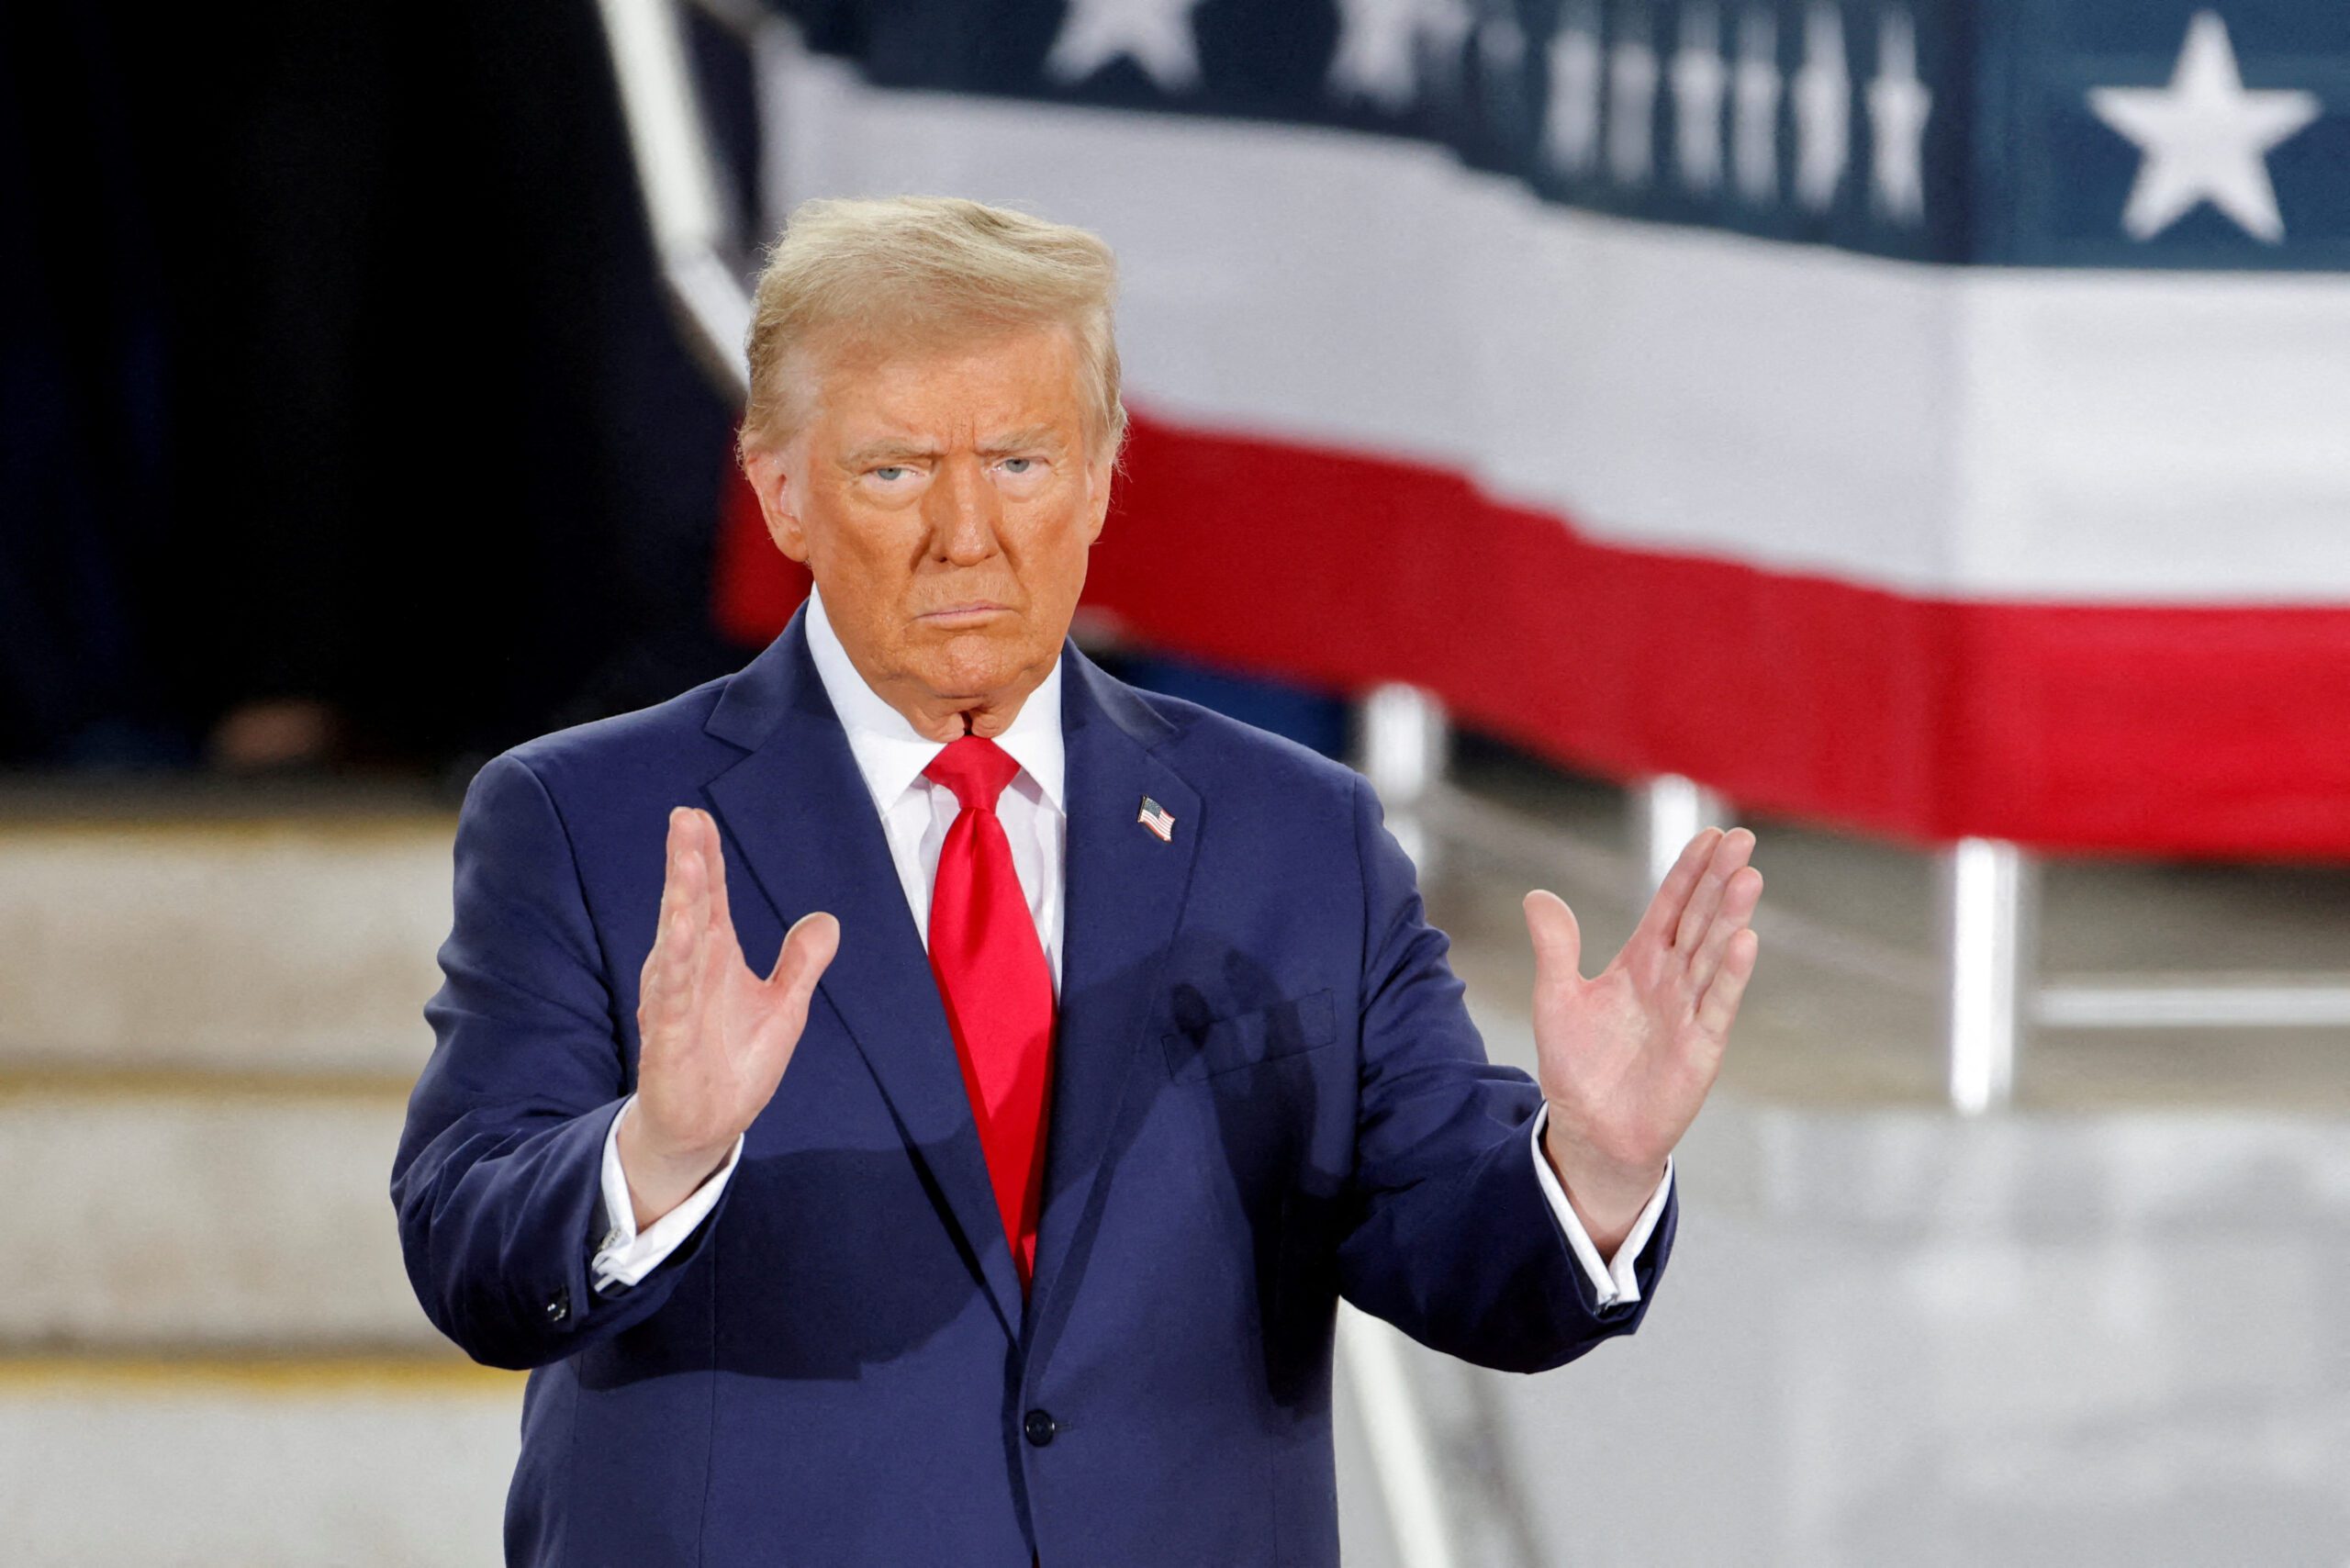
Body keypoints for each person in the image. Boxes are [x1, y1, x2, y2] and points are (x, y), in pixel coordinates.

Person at [390, 195, 1762, 1566]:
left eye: (1023, 462)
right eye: (894, 470)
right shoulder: (586, 818)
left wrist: (1594, 1164)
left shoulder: (1296, 838)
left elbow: (1456, 1247)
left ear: (1104, 475)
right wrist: (659, 1153)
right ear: (780, 489)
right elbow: (470, 1250)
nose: (966, 533)